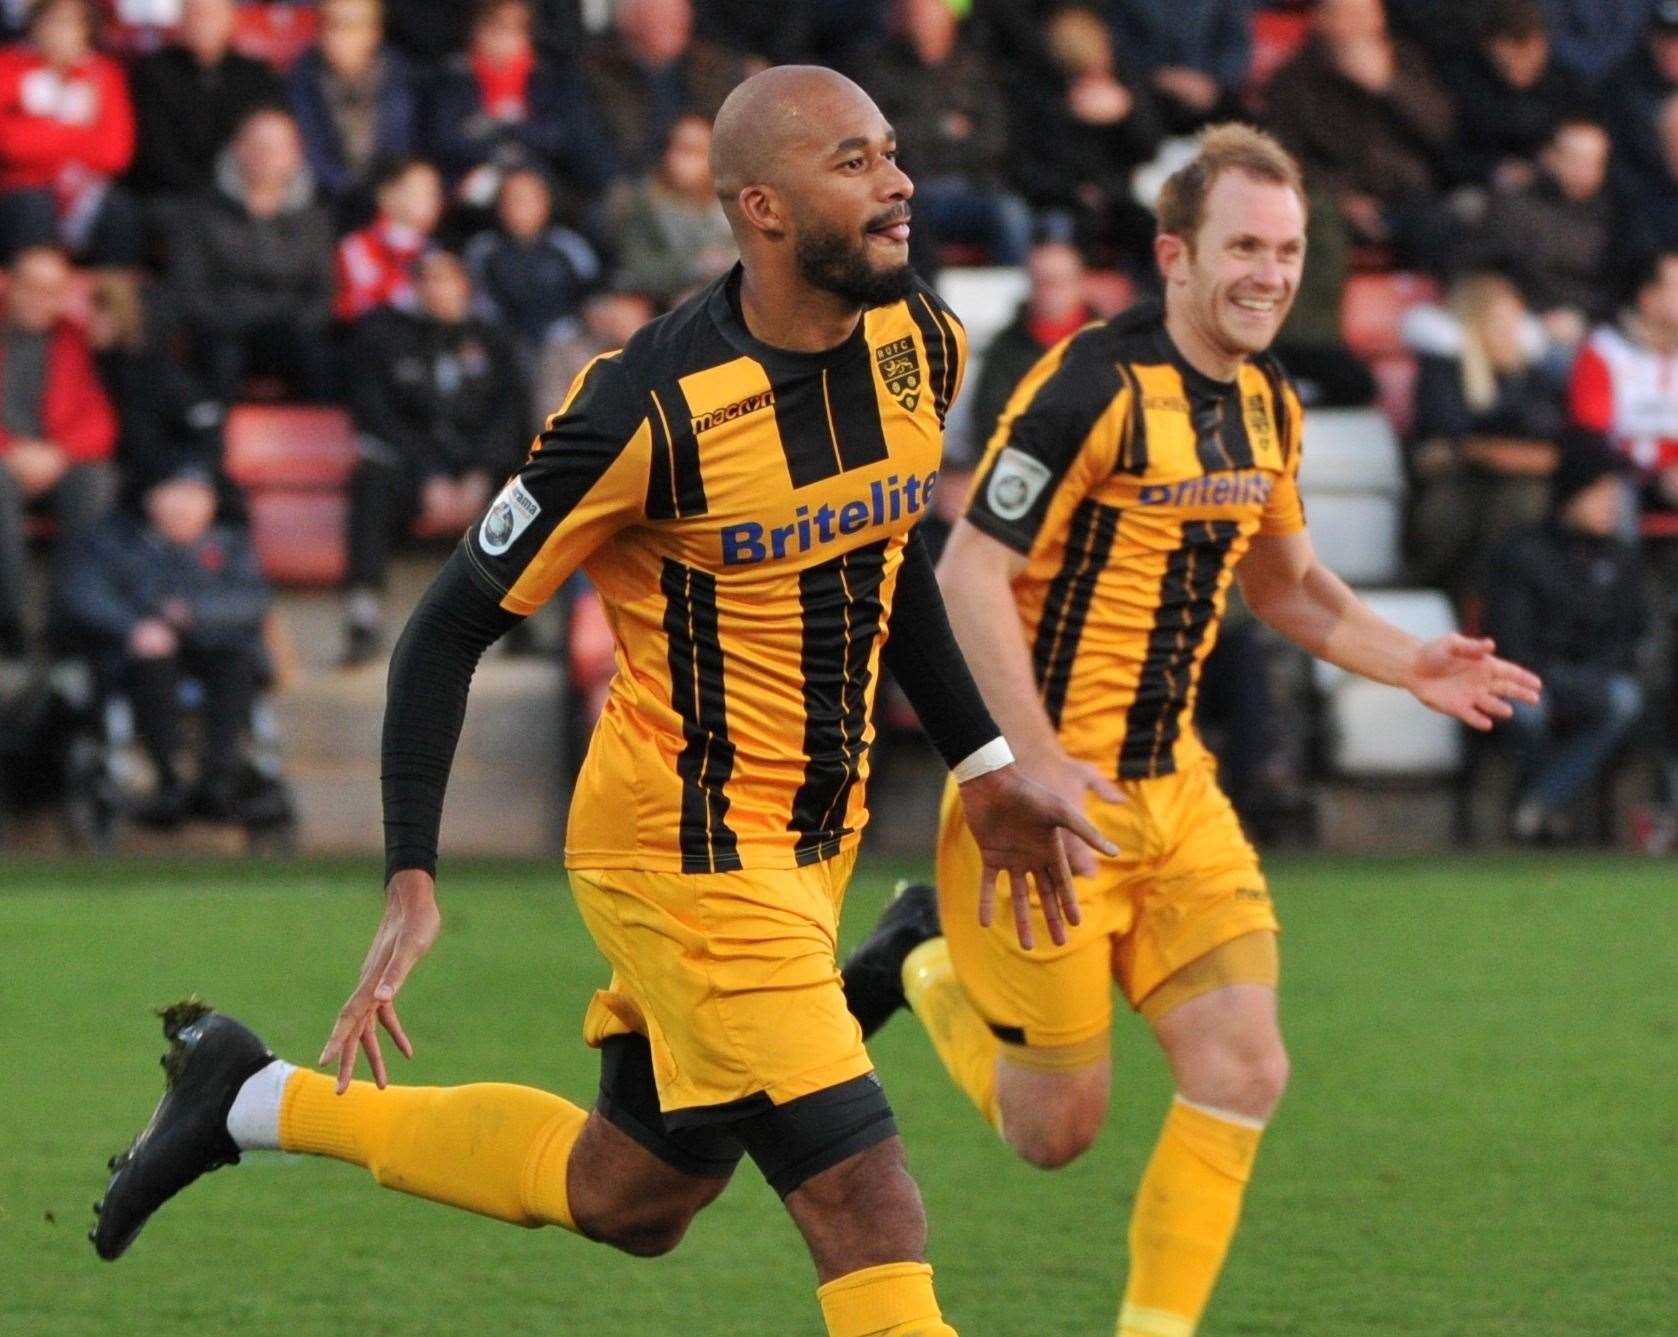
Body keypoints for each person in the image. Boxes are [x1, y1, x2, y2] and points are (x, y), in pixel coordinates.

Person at [93, 67, 1114, 1337]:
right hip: (683, 847)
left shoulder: (919, 338)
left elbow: (890, 552)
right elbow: (447, 622)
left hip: (812, 837)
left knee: (632, 1194)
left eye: (893, 150)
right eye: (854, 161)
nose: (899, 180)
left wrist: (984, 766)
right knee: (869, 1202)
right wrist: (412, 873)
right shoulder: (645, 405)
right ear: (763, 209)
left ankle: (248, 1096)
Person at [839, 125, 1542, 1337]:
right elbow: (964, 576)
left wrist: (1406, 655)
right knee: (1050, 1133)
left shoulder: (1268, 400)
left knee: (1244, 1068)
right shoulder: (1086, 384)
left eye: (1289, 248)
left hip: (1176, 799)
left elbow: (1288, 584)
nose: (1270, 272)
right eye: (1244, 246)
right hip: (1046, 808)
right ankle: (921, 949)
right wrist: (1033, 761)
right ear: (1174, 253)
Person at [51, 462, 272, 825]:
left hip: (213, 648)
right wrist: (135, 629)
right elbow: (83, 595)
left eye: (195, 495)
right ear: (151, 499)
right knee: (153, 662)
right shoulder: (111, 541)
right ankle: (166, 778)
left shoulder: (230, 545)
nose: (184, 506)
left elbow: (254, 600)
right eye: (175, 493)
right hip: (141, 657)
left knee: (237, 663)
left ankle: (217, 777)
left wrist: (193, 615)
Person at [339, 249, 526, 667]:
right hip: (413, 474)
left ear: (466, 287)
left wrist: (479, 472)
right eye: (430, 281)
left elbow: (510, 416)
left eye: (449, 281)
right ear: (415, 287)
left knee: (526, 486)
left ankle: (518, 617)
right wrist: (429, 475)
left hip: (481, 474)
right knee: (370, 478)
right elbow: (377, 417)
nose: (440, 291)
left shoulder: (494, 340)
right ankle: (363, 614)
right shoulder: (382, 338)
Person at [1483, 443, 1647, 843]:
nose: (1611, 504)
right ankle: (1547, 811)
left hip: (1593, 679)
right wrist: (1549, 677)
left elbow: (1632, 632)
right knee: (1527, 711)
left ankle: (1538, 805)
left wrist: (1596, 674)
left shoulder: (1622, 559)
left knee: (1626, 700)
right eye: (1600, 492)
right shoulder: (1523, 552)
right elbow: (1510, 638)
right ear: (1572, 494)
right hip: (1532, 676)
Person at [1264, 0, 1458, 271]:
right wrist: (1342, 200)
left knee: (1449, 225)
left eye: (1370, 15)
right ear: (1322, 21)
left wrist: (1389, 86)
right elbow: (1285, 158)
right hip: (1332, 204)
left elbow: (1441, 131)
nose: (1363, 26)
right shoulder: (1293, 81)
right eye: (1351, 16)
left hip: (1407, 199)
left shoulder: (1405, 62)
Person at [1403, 272, 1564, 595]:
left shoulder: (1532, 375)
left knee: (1525, 502)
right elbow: (1450, 436)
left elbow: (1553, 436)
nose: (1510, 334)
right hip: (1457, 488)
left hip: (1514, 491)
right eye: (1499, 323)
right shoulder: (1444, 370)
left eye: (1514, 322)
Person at [169, 108, 336, 403]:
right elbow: (190, 288)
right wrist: (227, 321)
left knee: (324, 358)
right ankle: (215, 442)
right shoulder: (199, 213)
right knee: (218, 356)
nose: (268, 157)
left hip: (290, 331)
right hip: (223, 330)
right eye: (259, 146)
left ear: (296, 154)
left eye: (279, 148)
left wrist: (298, 324)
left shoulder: (314, 219)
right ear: (238, 149)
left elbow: (322, 290)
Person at [0, 244, 116, 656]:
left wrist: (59, 454)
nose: (38, 298)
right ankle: (8, 624)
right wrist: (11, 451)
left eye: (51, 290)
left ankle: (68, 624)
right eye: (30, 286)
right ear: (8, 284)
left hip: (58, 459)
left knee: (96, 482)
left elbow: (99, 418)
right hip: (5, 459)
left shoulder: (76, 340)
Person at [853, 0, 1031, 266]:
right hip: (911, 189)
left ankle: (1013, 302)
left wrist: (920, 136)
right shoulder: (879, 68)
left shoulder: (977, 69)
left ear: (951, 15)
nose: (922, 20)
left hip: (972, 188)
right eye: (915, 12)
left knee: (1010, 214)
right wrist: (946, 130)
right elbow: (881, 141)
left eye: (930, 10)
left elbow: (993, 141)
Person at [425, 0, 614, 210]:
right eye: (495, 29)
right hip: (469, 185)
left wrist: (497, 127)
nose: (502, 41)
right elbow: (448, 139)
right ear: (476, 31)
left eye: (514, 31)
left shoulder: (545, 79)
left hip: (534, 183)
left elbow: (555, 136)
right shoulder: (454, 77)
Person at [0, 0, 140, 264]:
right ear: (35, 25)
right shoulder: (7, 67)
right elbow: (9, 145)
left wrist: (41, 131)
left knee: (120, 211)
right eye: (54, 22)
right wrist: (78, 133)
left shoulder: (104, 74)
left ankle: (113, 299)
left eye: (72, 24)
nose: (61, 32)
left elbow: (115, 154)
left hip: (85, 192)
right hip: (21, 189)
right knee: (33, 206)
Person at [1467, 116, 1616, 337]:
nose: (1584, 170)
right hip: (1519, 320)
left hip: (1587, 324)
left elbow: (1615, 289)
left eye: (1594, 161)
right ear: (1550, 156)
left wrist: (1584, 317)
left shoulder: (1613, 218)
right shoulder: (1514, 207)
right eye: (1575, 159)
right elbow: (1482, 268)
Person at [127, 0, 284, 201]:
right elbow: (157, 152)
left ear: (232, 18)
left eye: (211, 14)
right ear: (181, 19)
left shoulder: (256, 75)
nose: (203, 22)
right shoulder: (152, 73)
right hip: (173, 198)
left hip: (242, 196)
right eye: (195, 13)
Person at [287, 0, 421, 223]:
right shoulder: (301, 80)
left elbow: (404, 148)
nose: (336, 35)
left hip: (387, 203)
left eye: (349, 25)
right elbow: (311, 152)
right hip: (323, 206)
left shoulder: (402, 78)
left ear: (374, 32)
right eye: (329, 24)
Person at [1568, 249, 1678, 515]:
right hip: (1624, 482)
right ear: (1648, 298)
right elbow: (1591, 436)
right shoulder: (1604, 352)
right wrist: (1656, 476)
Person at [961, 239, 1089, 464]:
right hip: (1024, 467)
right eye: (1042, 282)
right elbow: (989, 419)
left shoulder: (1106, 343)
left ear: (1080, 282)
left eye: (1059, 282)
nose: (1051, 293)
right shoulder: (1005, 349)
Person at [581, 0, 744, 177]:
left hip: (710, 188)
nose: (666, 22)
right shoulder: (595, 75)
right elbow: (595, 153)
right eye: (654, 15)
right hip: (631, 191)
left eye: (674, 14)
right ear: (628, 21)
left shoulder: (717, 69)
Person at [607, 113, 736, 307]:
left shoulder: (737, 199)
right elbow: (638, 268)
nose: (676, 159)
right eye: (674, 147)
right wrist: (694, 266)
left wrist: (727, 261)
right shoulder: (646, 204)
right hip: (662, 305)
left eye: (691, 151)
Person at [332, 156, 444, 323]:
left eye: (435, 193)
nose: (434, 201)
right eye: (423, 192)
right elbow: (366, 301)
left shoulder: (435, 249)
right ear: (387, 196)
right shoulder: (357, 247)